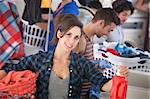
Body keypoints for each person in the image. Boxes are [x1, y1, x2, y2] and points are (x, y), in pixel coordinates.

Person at [0, 14, 128, 99]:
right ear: (59, 34)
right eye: (69, 35)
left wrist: (119, 76)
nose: (72, 41)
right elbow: (11, 69)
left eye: (76, 37)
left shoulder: (80, 63)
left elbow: (102, 84)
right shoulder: (40, 59)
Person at [74, 8, 124, 98]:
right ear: (101, 23)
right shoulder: (81, 40)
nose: (108, 34)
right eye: (109, 30)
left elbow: (84, 66)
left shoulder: (90, 39)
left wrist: (95, 67)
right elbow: (73, 70)